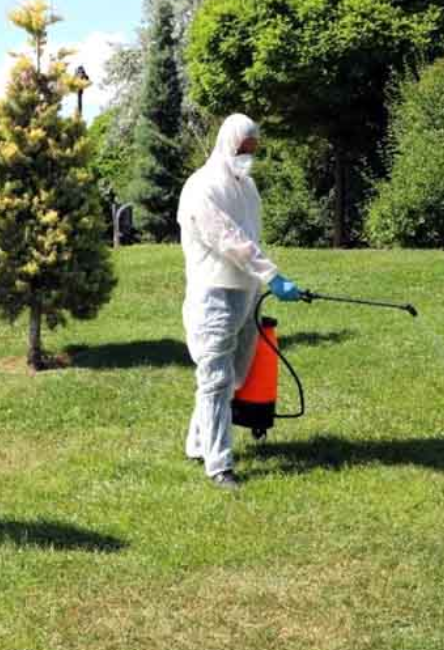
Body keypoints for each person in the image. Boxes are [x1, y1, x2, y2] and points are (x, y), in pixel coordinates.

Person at [178, 114, 302, 491]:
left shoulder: (247, 188)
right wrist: (272, 275)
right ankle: (219, 465)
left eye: (253, 150)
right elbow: (229, 239)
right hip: (213, 294)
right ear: (227, 144)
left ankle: (197, 443)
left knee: (232, 377)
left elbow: (251, 236)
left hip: (245, 293)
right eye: (243, 150)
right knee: (215, 378)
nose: (249, 157)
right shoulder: (202, 187)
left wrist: (261, 279)